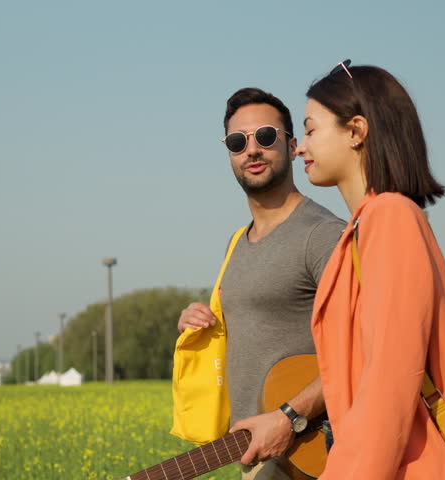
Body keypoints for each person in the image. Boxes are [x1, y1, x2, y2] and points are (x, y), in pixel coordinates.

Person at [295, 61, 445, 479]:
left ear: (356, 131)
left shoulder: (390, 218)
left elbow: (390, 378)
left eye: (311, 130)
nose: (300, 146)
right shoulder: (368, 223)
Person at [176, 88, 345, 480]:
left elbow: (364, 350)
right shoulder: (237, 242)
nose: (252, 150)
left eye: (265, 137)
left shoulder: (321, 235)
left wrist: (290, 418)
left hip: (312, 457)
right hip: (257, 459)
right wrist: (197, 322)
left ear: (290, 145)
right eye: (238, 142)